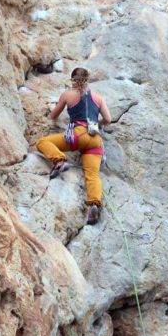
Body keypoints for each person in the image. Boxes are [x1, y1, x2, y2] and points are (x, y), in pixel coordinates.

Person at [36, 67, 112, 225]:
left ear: (72, 80)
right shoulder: (98, 98)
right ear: (87, 79)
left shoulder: (67, 95)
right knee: (92, 175)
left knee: (43, 142)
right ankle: (93, 205)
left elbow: (53, 115)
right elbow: (108, 119)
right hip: (95, 140)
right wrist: (98, 124)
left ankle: (59, 161)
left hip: (77, 135)